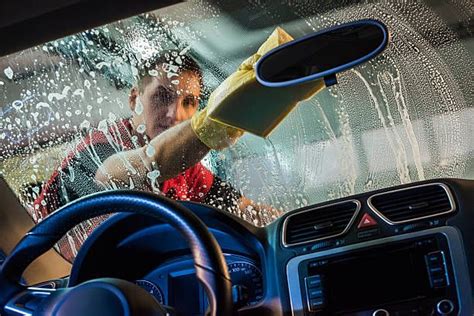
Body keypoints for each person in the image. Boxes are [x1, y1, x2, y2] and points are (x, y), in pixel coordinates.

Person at [32, 52, 278, 261]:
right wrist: (220, 120)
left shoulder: (186, 169)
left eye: (189, 102)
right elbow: (143, 164)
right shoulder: (99, 146)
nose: (175, 115)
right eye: (162, 96)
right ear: (134, 99)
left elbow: (245, 209)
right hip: (44, 288)